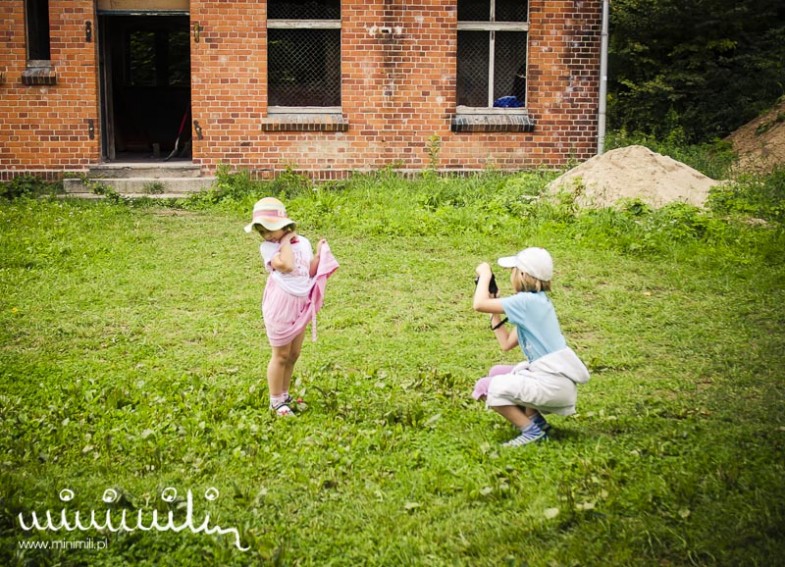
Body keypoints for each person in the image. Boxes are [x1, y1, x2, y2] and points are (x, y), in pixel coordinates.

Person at [472, 247, 589, 447]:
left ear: (523, 274)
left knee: (486, 386)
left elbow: (478, 304)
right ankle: (537, 421)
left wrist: (485, 274)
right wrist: (494, 309)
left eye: (513, 271)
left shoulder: (526, 302)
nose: (512, 276)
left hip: (552, 386)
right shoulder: (537, 302)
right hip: (556, 382)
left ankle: (532, 431)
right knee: (497, 371)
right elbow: (506, 343)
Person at [245, 197, 339, 417]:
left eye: (270, 229)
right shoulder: (269, 248)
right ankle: (275, 401)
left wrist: (318, 254)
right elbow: (286, 266)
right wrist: (285, 239)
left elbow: (307, 270)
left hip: (300, 303)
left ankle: (285, 395)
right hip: (281, 304)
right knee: (281, 354)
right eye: (262, 231)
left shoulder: (303, 242)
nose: (267, 235)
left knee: (294, 353)